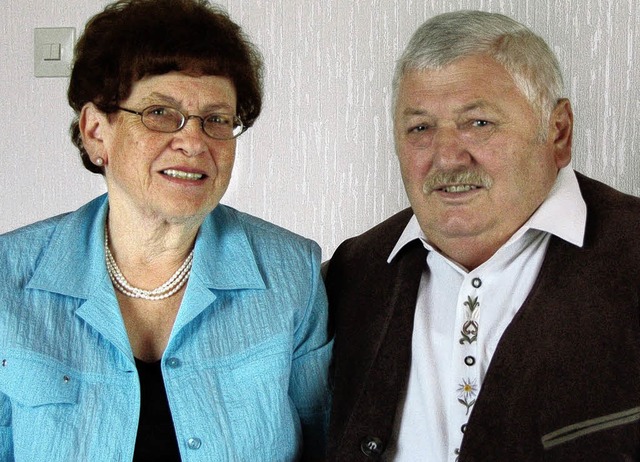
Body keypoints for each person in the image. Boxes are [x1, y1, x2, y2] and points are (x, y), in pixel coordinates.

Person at [0, 0, 331, 460]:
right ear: (97, 132)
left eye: (216, 119)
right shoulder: (8, 277)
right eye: (160, 113)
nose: (194, 141)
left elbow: (326, 442)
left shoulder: (291, 272)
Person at [324, 10, 640, 461]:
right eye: (420, 128)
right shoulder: (350, 275)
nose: (448, 157)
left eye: (479, 123)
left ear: (558, 131)